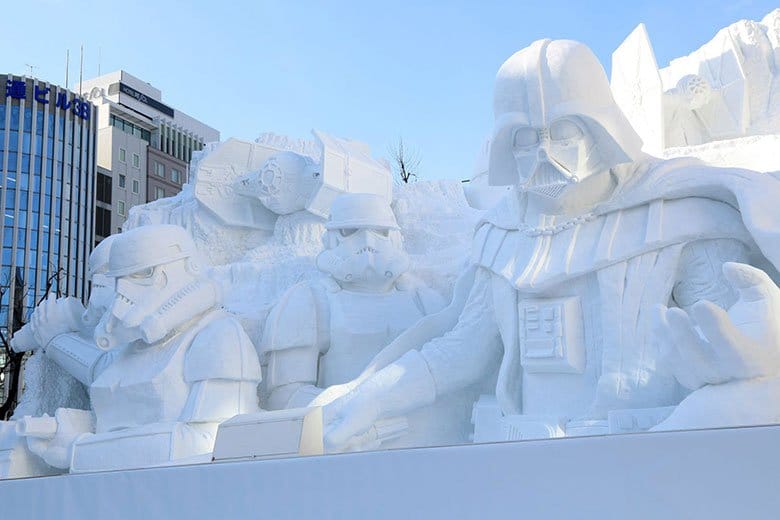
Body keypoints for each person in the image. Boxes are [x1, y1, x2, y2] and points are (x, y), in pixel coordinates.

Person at [319, 39, 780, 450]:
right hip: (522, 453)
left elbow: (731, 319)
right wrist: (377, 395)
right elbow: (462, 348)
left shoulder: (678, 211)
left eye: (562, 131)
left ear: (599, 127)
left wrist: (751, 349)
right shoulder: (502, 237)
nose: (544, 153)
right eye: (525, 138)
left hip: (640, 454)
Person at [1, 225, 261, 477]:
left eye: (143, 274)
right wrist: (78, 429)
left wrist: (79, 449)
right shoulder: (131, 348)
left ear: (183, 269)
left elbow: (212, 442)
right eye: (120, 279)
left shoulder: (218, 337)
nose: (124, 291)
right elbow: (102, 379)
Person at [261, 193, 477, 448]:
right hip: (352, 449)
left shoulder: (425, 301)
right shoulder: (309, 301)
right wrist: (351, 420)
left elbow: (455, 377)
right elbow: (287, 399)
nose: (367, 242)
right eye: (350, 231)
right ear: (330, 238)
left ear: (396, 237)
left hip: (430, 449)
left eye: (380, 232)